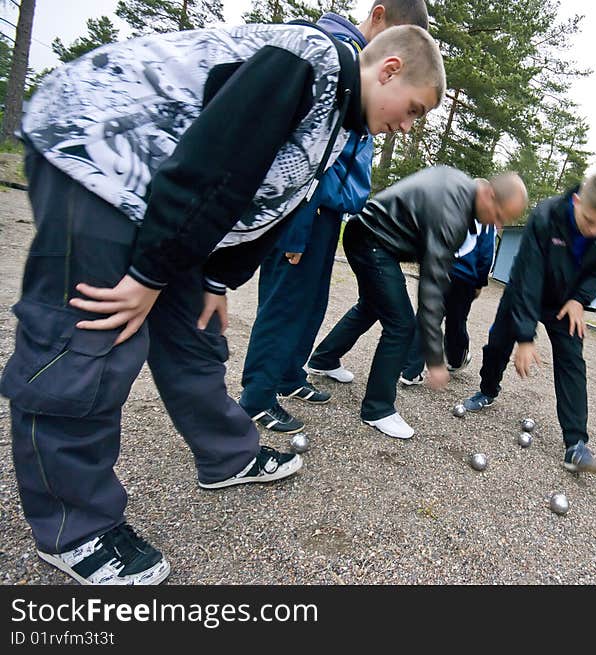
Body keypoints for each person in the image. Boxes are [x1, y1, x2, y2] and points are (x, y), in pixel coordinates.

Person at [0, 22, 445, 585]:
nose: (406, 127)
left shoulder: (341, 116)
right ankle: (72, 524)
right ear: (390, 71)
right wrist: (147, 273)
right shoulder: (305, 63)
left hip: (161, 197)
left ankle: (226, 455)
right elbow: (216, 165)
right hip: (98, 153)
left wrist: (216, 279)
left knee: (194, 333)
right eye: (412, 110)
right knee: (89, 336)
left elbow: (269, 196)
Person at [239, 1, 431, 435]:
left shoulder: (365, 77)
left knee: (311, 303)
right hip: (305, 208)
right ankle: (256, 397)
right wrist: (295, 229)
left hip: (328, 211)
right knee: (285, 303)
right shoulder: (338, 60)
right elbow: (307, 162)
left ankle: (288, 375)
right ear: (378, 16)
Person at [307, 167, 528, 439]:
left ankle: (324, 358)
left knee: (371, 306)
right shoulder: (454, 211)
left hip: (368, 236)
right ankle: (377, 409)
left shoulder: (460, 190)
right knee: (401, 324)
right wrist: (435, 358)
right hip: (372, 241)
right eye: (498, 215)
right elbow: (432, 286)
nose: (497, 225)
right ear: (489, 194)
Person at [462, 172, 596, 474]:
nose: (593, 230)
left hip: (566, 303)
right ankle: (487, 390)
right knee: (498, 343)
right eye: (587, 220)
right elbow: (528, 275)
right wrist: (525, 337)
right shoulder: (546, 215)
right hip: (526, 290)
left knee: (573, 361)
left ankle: (575, 444)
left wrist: (579, 299)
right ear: (577, 201)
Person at [398, 220, 496, 384]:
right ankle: (456, 360)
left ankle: (410, 370)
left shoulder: (451, 203)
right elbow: (486, 253)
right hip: (464, 277)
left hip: (437, 269)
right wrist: (480, 282)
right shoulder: (486, 219)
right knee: (456, 319)